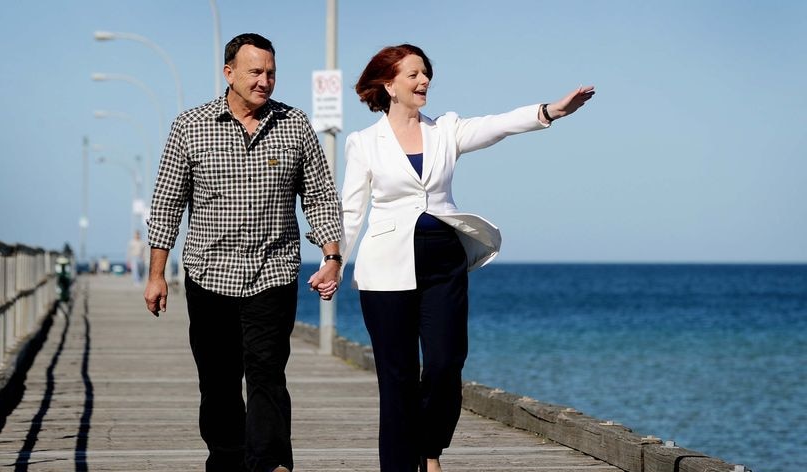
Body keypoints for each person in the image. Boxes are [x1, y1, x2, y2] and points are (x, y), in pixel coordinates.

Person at [339, 44, 595, 472]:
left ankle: (430, 447)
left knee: (444, 364)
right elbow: (351, 209)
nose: (424, 82)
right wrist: (334, 261)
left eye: (426, 74)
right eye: (414, 75)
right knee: (397, 378)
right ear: (389, 85)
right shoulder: (363, 143)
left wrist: (551, 110)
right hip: (386, 270)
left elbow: (497, 126)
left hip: (444, 264)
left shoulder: (446, 130)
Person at [144, 33, 342, 472]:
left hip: (272, 274)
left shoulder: (295, 125)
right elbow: (166, 205)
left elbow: (321, 197)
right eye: (255, 71)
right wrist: (157, 274)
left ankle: (271, 463)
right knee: (218, 381)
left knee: (268, 374)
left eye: (270, 72)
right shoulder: (189, 126)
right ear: (229, 72)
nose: (265, 80)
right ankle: (227, 459)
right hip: (209, 274)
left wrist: (331, 256)